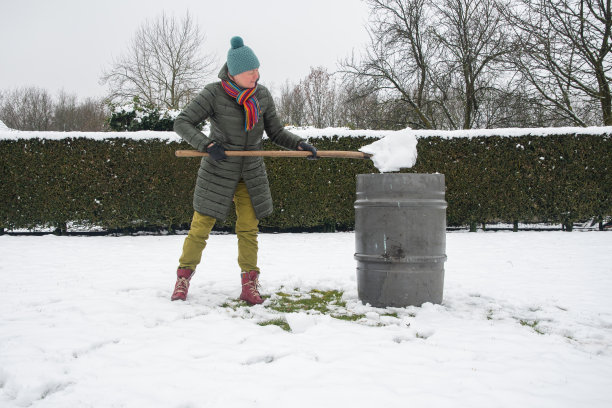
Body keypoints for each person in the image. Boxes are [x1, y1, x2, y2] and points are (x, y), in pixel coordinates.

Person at [171, 36, 317, 304]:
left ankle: (249, 283)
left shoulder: (261, 95)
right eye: (251, 71)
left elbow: (275, 132)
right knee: (200, 228)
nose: (256, 75)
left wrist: (299, 144)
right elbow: (182, 122)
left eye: (257, 69)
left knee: (249, 229)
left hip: (250, 173)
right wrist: (206, 144)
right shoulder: (213, 93)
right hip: (218, 171)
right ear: (234, 73)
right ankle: (183, 278)